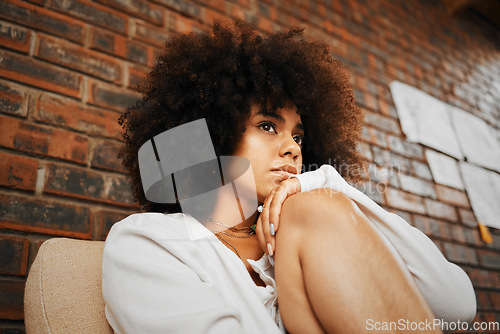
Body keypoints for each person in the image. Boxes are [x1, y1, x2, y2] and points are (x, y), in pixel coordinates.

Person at [102, 19, 476, 333]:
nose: (293, 149)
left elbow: (456, 306)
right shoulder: (146, 242)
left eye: (298, 136)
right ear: (212, 135)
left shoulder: (312, 226)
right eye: (267, 126)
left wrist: (325, 183)